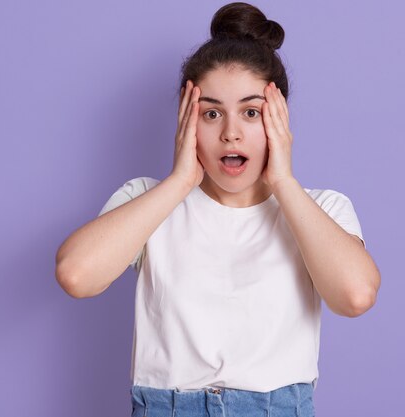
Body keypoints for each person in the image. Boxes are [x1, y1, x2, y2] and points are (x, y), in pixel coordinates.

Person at [55, 2, 381, 416]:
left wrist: (284, 182)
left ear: (280, 120)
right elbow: (75, 275)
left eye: (251, 112)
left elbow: (355, 295)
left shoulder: (320, 208)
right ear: (186, 121)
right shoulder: (147, 199)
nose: (230, 133)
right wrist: (179, 181)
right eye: (211, 113)